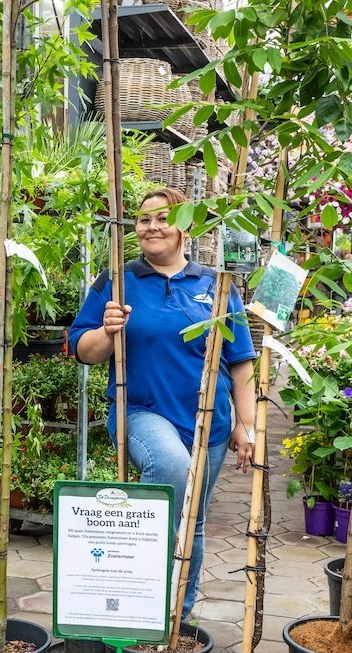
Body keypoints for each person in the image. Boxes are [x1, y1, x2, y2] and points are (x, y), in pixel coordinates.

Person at [68, 187, 256, 619]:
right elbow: (82, 348)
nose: (151, 227)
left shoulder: (215, 285)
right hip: (141, 411)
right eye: (143, 219)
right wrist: (108, 330)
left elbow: (241, 363)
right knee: (171, 467)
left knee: (194, 521)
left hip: (210, 422)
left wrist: (246, 426)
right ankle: (144, 605)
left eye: (162, 218)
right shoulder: (117, 279)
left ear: (184, 227)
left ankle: (177, 616)